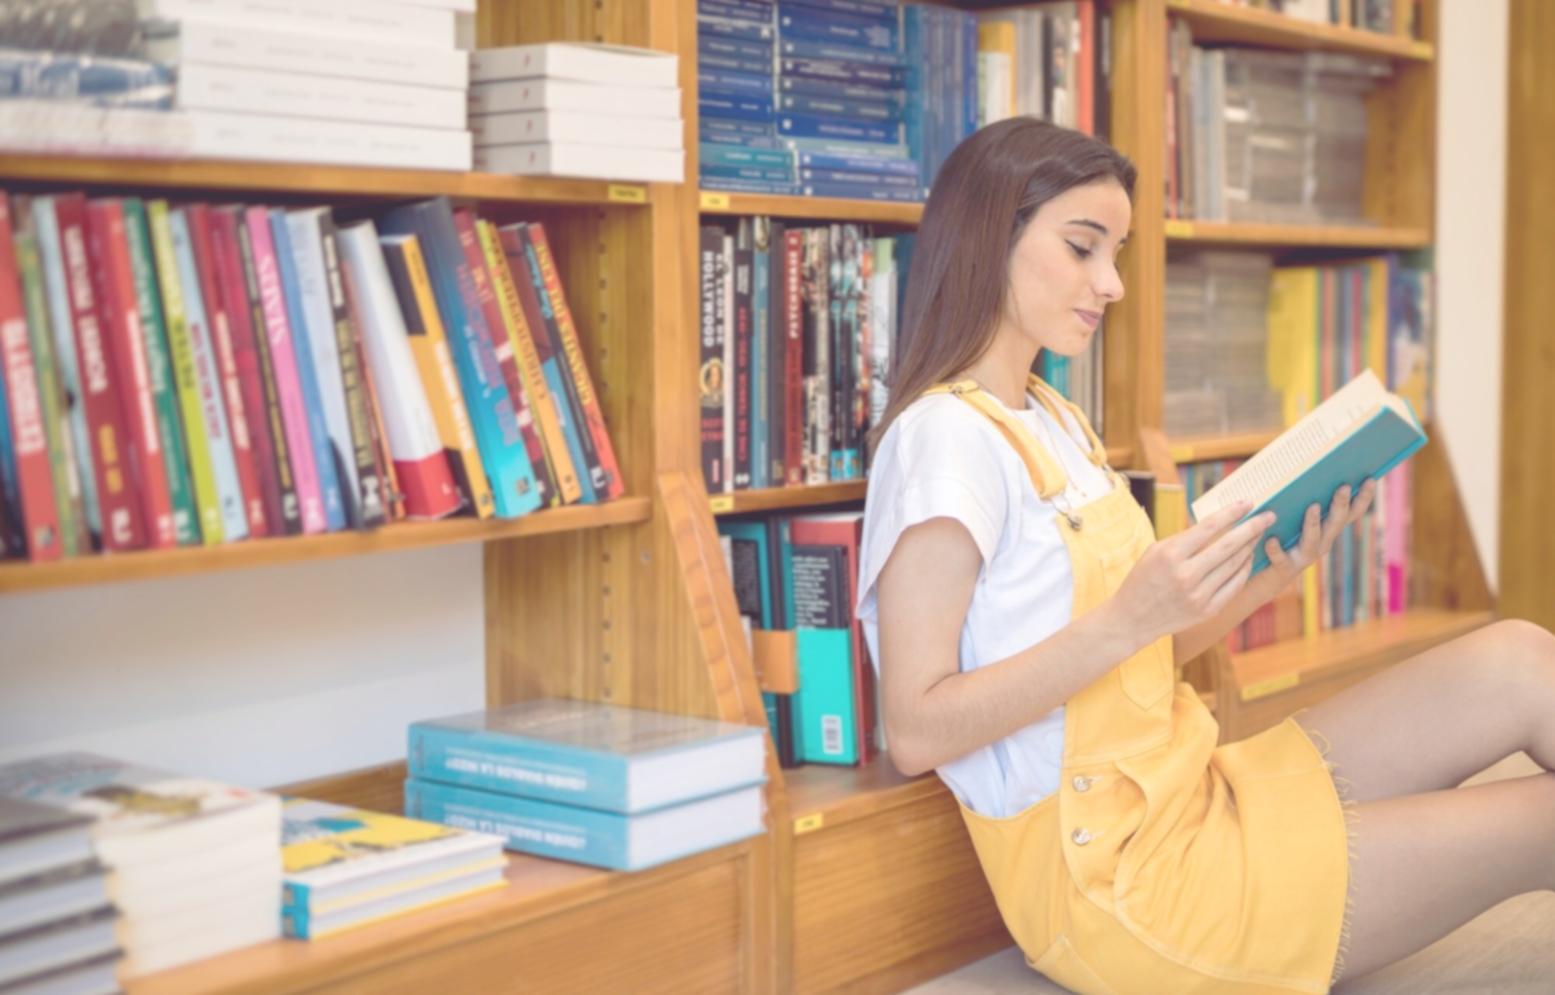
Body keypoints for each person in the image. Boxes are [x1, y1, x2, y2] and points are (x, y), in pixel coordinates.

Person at [856, 116, 1555, 994]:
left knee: (1519, 655)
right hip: (1127, 886)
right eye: (1082, 247)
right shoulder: (940, 442)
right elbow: (916, 730)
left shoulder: (1052, 419)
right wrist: (1125, 619)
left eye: (1115, 251)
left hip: (1199, 788)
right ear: (990, 235)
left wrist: (1278, 566)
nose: (1108, 282)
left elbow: (1136, 656)